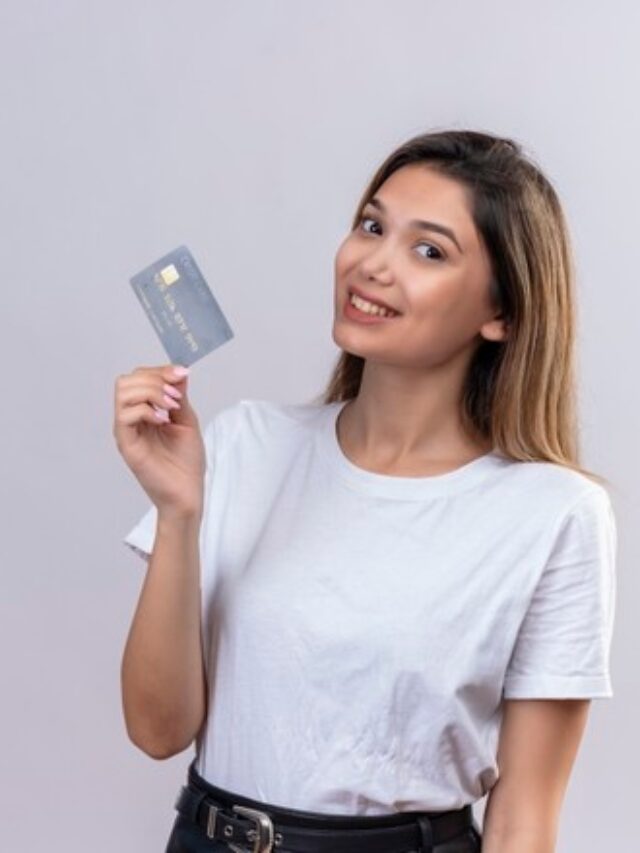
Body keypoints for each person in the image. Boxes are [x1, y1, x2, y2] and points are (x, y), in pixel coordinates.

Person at [114, 129, 617, 853]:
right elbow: (157, 730)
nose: (373, 264)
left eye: (429, 249)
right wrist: (177, 511)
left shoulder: (554, 514)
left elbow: (524, 820)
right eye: (372, 225)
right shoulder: (245, 444)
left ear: (501, 312)